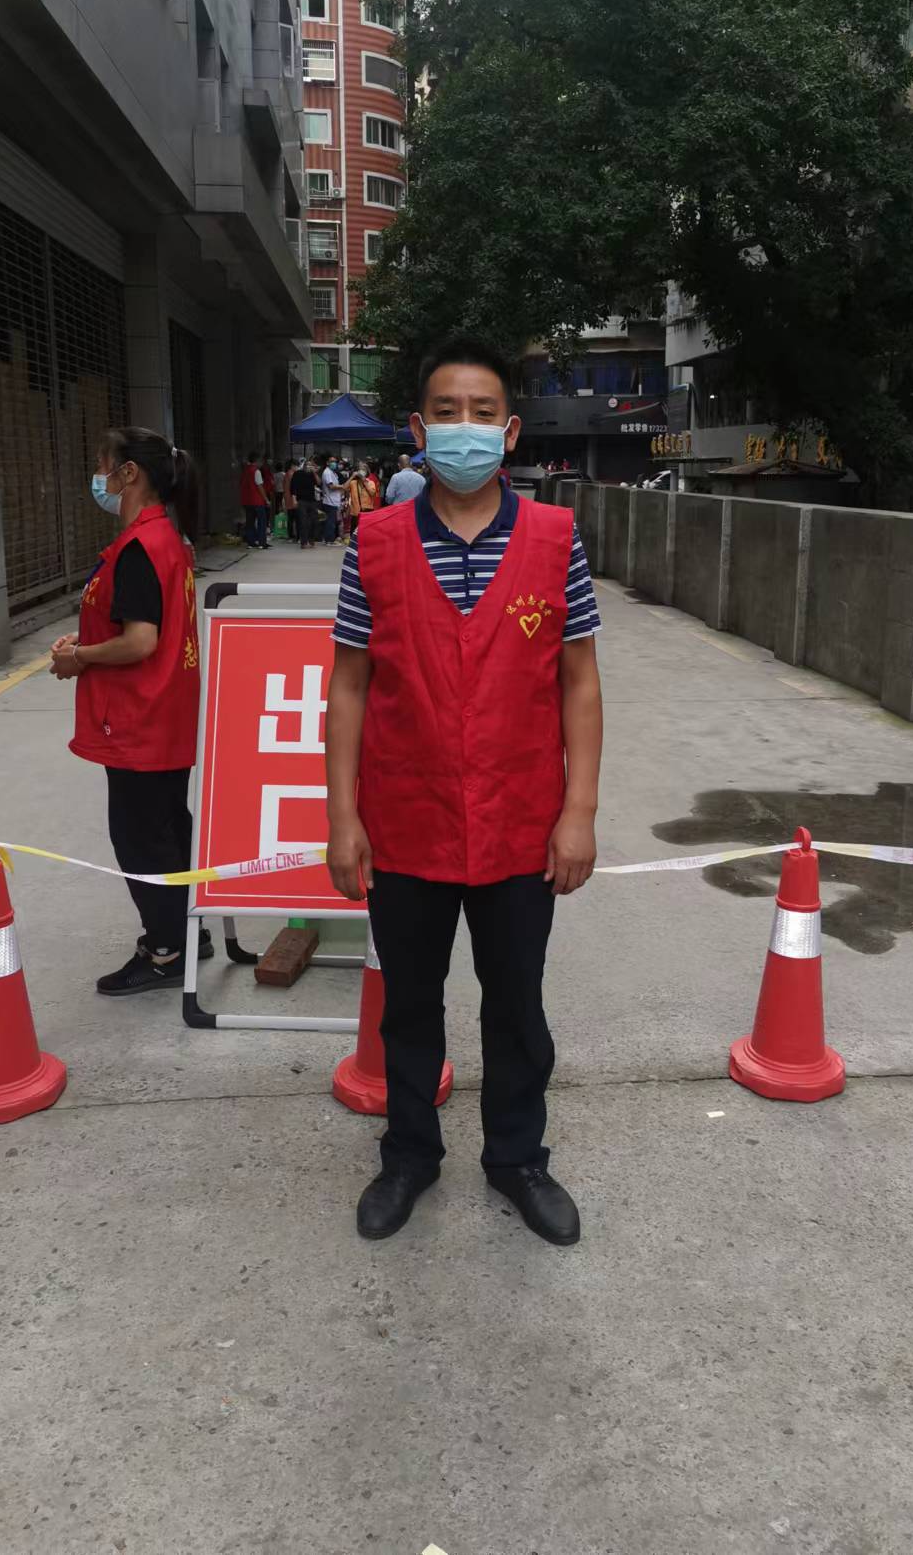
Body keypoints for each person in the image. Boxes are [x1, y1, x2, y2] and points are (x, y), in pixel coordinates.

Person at [326, 335, 604, 1246]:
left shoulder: (555, 540)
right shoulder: (375, 543)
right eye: (447, 412)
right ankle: (409, 1155)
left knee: (516, 1003)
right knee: (409, 1004)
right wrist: (342, 817)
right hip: (405, 821)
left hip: (521, 825)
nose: (465, 429)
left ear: (511, 431)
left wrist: (578, 812)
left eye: (484, 413)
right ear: (418, 428)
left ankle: (518, 1157)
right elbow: (350, 685)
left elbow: (579, 681)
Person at [49, 428, 205, 996]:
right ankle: (187, 933)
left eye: (103, 465)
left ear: (128, 474)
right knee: (168, 828)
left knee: (141, 840)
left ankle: (166, 952)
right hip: (165, 713)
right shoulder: (167, 538)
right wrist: (87, 640)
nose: (99, 477)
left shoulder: (141, 545)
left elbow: (141, 640)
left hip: (140, 717)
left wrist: (80, 658)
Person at [239, 451, 267, 548]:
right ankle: (261, 543)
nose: (262, 463)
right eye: (261, 461)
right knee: (261, 522)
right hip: (257, 501)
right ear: (257, 461)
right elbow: (260, 486)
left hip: (247, 501)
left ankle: (251, 542)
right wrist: (266, 499)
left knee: (250, 522)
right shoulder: (256, 471)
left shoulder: (245, 471)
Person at [345, 464, 379, 539]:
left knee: (365, 534)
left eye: (364, 470)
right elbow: (344, 487)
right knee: (354, 534)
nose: (362, 471)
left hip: (367, 511)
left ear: (367, 472)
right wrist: (352, 477)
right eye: (360, 469)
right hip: (355, 512)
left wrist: (364, 481)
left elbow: (372, 493)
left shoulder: (370, 482)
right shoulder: (353, 483)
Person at [291, 455, 319, 547]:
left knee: (314, 520)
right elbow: (293, 487)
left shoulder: (312, 474)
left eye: (311, 465)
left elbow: (319, 483)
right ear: (304, 466)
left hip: (312, 500)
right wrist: (294, 500)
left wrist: (314, 473)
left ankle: (311, 539)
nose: (309, 467)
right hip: (301, 500)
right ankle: (303, 542)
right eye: (307, 465)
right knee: (303, 521)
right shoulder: (298, 473)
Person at [319, 453, 343, 545]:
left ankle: (329, 539)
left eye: (335, 462)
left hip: (334, 501)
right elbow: (331, 486)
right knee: (330, 522)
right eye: (332, 461)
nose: (334, 463)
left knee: (332, 521)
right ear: (327, 463)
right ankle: (329, 540)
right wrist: (342, 486)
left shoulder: (332, 472)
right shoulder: (327, 472)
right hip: (330, 501)